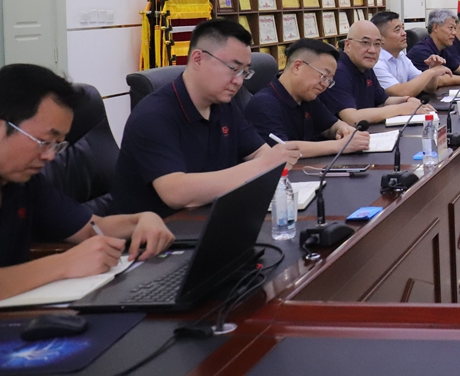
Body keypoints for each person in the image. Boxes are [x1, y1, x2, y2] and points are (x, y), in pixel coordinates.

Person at [0, 64, 175, 301]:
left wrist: (141, 220)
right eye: (44, 141)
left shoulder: (24, 183)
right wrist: (63, 264)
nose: (50, 157)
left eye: (57, 145)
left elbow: (89, 228)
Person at [112, 19, 301, 217]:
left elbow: (259, 153)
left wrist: (270, 160)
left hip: (213, 217)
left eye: (244, 72)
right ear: (198, 59)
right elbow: (176, 193)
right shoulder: (153, 115)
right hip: (160, 229)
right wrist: (264, 165)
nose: (238, 81)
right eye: (233, 68)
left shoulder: (224, 105)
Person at [244, 39, 371, 157]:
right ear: (297, 66)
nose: (325, 85)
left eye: (329, 80)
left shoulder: (307, 97)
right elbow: (281, 149)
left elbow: (331, 125)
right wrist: (339, 146)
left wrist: (343, 129)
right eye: (323, 76)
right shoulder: (264, 104)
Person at [320, 20, 430, 125]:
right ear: (348, 45)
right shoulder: (338, 71)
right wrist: (401, 108)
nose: (372, 50)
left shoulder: (365, 66)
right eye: (365, 43)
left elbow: (384, 101)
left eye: (377, 44)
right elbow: (352, 118)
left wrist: (407, 100)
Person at [371, 11, 452, 96]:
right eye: (397, 30)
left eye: (403, 28)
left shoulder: (401, 56)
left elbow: (428, 88)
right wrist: (431, 72)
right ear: (381, 39)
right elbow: (401, 93)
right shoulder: (376, 62)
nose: (404, 33)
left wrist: (433, 70)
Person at [407, 9, 460, 85]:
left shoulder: (442, 49)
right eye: (451, 28)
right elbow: (440, 80)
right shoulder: (421, 51)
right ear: (436, 27)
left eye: (455, 28)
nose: (454, 33)